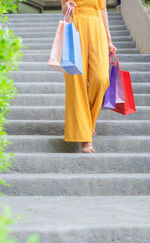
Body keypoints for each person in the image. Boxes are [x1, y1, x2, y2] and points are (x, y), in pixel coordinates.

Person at [61, 0, 117, 153]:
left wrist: (109, 40)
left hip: (97, 26)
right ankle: (86, 139)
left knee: (101, 78)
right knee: (76, 81)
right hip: (76, 25)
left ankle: (88, 123)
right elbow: (63, 6)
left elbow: (103, 10)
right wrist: (67, 7)